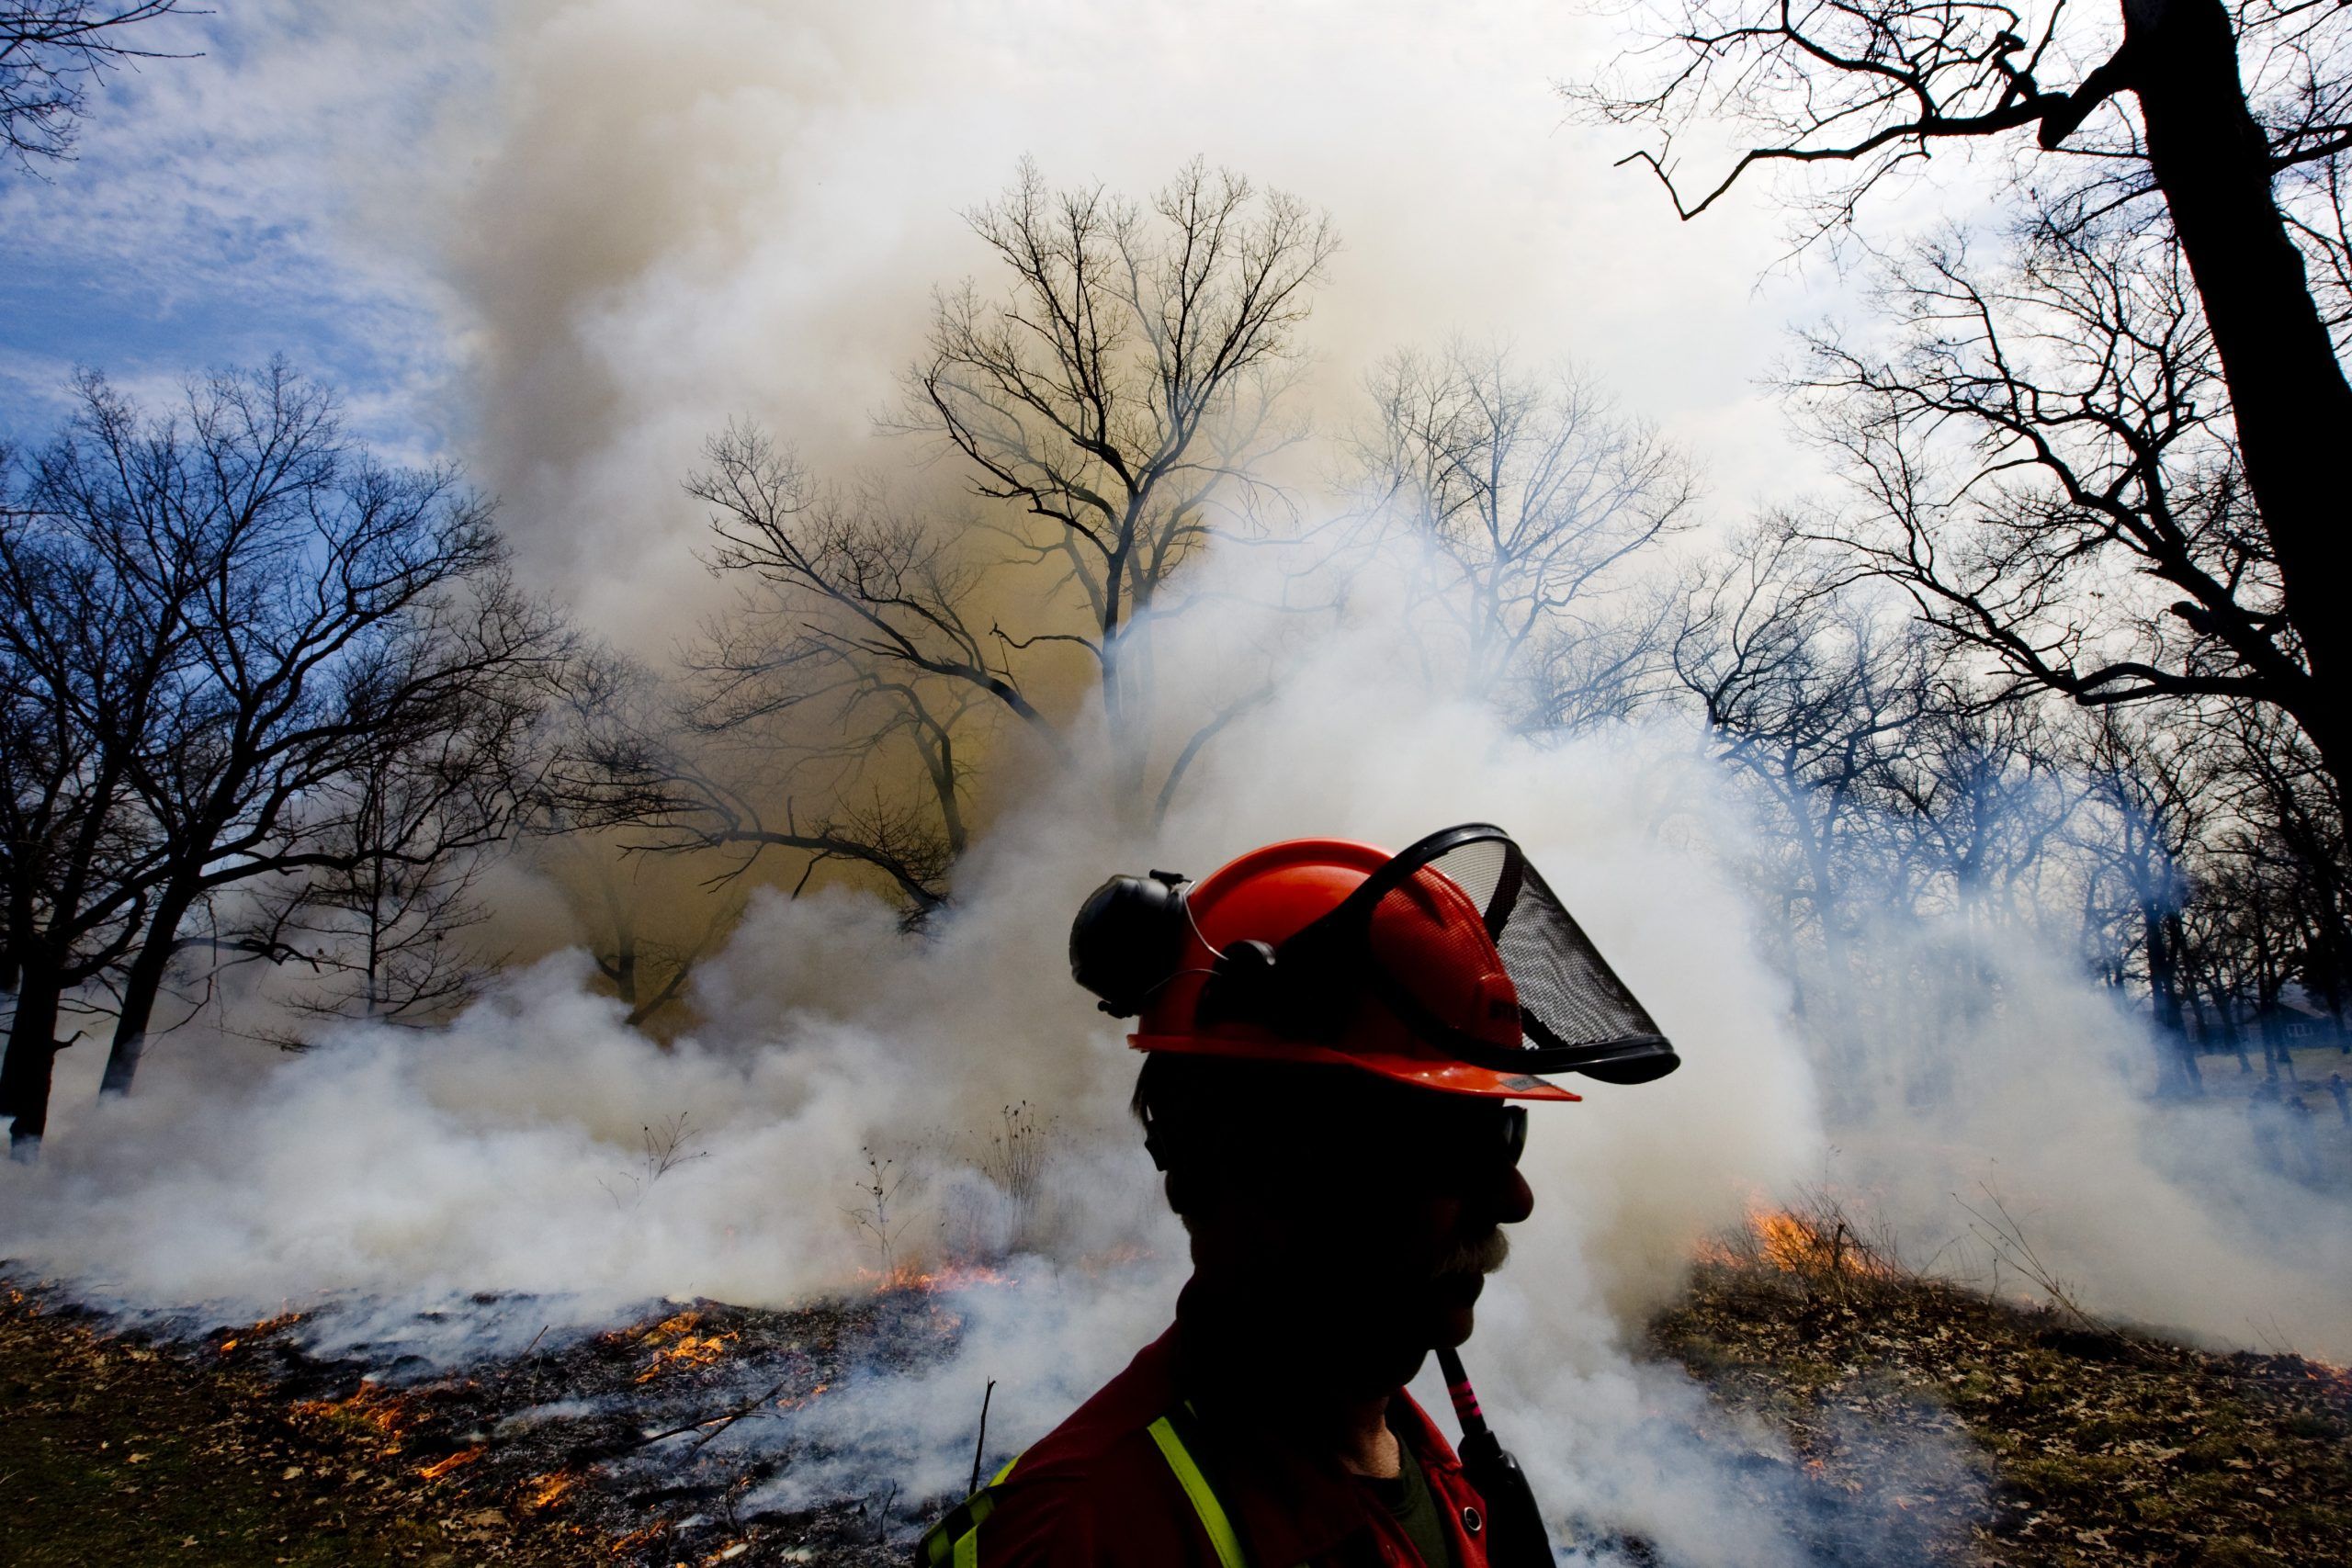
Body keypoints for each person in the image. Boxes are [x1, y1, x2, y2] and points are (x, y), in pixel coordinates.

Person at [918, 825, 1679, 1568]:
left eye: (1505, 1133)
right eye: (1450, 1144)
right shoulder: (1076, 1537)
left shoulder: (1435, 1470)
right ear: (1246, 1162)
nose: (1514, 1198)